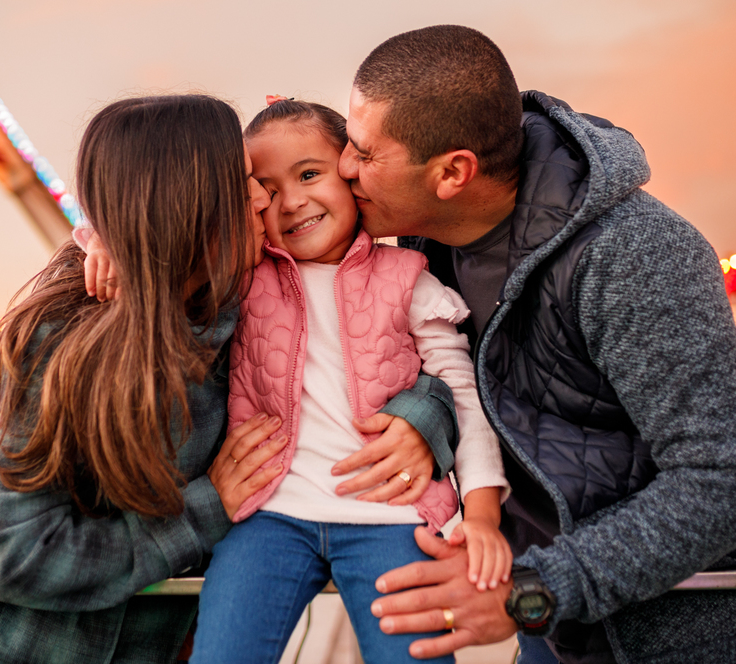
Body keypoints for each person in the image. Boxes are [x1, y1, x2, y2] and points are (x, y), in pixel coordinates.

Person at [345, 27, 736, 663]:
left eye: (365, 152)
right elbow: (473, 375)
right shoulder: (425, 252)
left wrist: (534, 591)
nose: (348, 168)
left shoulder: (634, 254)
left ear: (452, 172)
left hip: (691, 636)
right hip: (560, 629)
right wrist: (424, 415)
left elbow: (730, 479)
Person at [0, 95, 458, 663]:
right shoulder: (64, 342)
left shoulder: (245, 311)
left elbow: (382, 352)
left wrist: (421, 418)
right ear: (190, 206)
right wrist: (209, 506)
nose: (262, 197)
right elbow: (20, 557)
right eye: (242, 180)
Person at [188, 98, 511, 664]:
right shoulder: (240, 276)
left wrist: (483, 516)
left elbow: (465, 399)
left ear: (350, 176)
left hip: (390, 517)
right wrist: (96, 242)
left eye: (309, 174)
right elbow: (157, 216)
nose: (291, 202)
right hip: (268, 515)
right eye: (265, 188)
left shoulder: (410, 280)